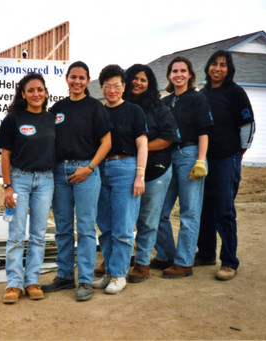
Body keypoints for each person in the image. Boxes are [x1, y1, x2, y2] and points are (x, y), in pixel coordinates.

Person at [41, 61, 112, 301]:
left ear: (87, 80)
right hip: (60, 172)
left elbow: (107, 142)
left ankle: (84, 280)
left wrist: (89, 168)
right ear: (67, 79)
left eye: (82, 78)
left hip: (86, 171)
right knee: (62, 227)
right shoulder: (57, 108)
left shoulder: (95, 107)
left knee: (85, 227)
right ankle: (64, 276)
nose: (77, 81)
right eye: (73, 77)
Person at [0, 73, 55, 304]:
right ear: (23, 94)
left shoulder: (52, 119)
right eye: (31, 90)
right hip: (19, 179)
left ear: (46, 92)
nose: (36, 94)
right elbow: (5, 155)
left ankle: (32, 282)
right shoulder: (13, 119)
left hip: (46, 180)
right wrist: (7, 187)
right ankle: (14, 284)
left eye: (40, 90)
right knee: (17, 234)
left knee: (39, 235)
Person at [196, 50, 255, 280]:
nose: (217, 68)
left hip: (226, 159)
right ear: (208, 67)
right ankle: (206, 253)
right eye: (214, 64)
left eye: (223, 65)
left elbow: (248, 125)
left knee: (224, 211)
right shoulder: (202, 94)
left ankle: (229, 261)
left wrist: (237, 155)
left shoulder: (236, 93)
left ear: (228, 69)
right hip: (203, 161)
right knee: (204, 210)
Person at [153, 56, 213, 279]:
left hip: (190, 155)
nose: (178, 74)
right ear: (169, 75)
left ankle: (184, 262)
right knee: (159, 211)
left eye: (183, 71)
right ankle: (166, 255)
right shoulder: (164, 102)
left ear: (189, 75)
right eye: (174, 71)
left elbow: (204, 131)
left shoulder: (198, 99)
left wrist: (200, 160)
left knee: (189, 211)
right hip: (168, 156)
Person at [92, 64, 148, 294]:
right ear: (101, 87)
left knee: (123, 226)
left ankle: (119, 275)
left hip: (126, 167)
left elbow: (142, 144)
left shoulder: (134, 111)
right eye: (107, 86)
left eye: (117, 86)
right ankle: (108, 273)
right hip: (100, 168)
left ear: (124, 86)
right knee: (105, 226)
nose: (112, 90)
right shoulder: (97, 111)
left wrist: (140, 175)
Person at [122, 64, 180, 283]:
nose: (138, 82)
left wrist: (140, 149)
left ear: (150, 84)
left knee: (147, 220)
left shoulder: (159, 108)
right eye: (134, 78)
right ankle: (115, 259)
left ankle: (142, 264)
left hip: (156, 171)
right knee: (122, 219)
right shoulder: (120, 105)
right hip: (125, 172)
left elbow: (168, 138)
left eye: (143, 80)